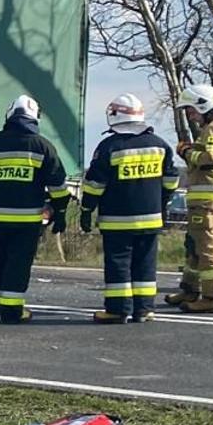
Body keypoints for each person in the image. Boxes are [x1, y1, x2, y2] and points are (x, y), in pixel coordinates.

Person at [0, 95, 71, 323]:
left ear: (10, 115)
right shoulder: (43, 147)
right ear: (35, 118)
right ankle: (12, 311)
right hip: (27, 221)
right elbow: (58, 187)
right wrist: (60, 212)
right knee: (18, 263)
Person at [79, 94, 179, 323]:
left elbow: (95, 185)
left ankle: (117, 309)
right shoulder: (160, 145)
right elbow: (171, 179)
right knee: (145, 264)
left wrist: (87, 209)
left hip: (117, 220)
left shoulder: (110, 147)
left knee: (118, 264)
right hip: (151, 219)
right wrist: (162, 202)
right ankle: (144, 309)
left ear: (114, 116)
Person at [164, 84, 213, 314]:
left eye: (191, 109)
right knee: (194, 245)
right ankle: (190, 289)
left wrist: (186, 152)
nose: (190, 115)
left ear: (204, 105)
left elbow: (212, 158)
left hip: (207, 199)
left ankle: (212, 296)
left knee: (207, 247)